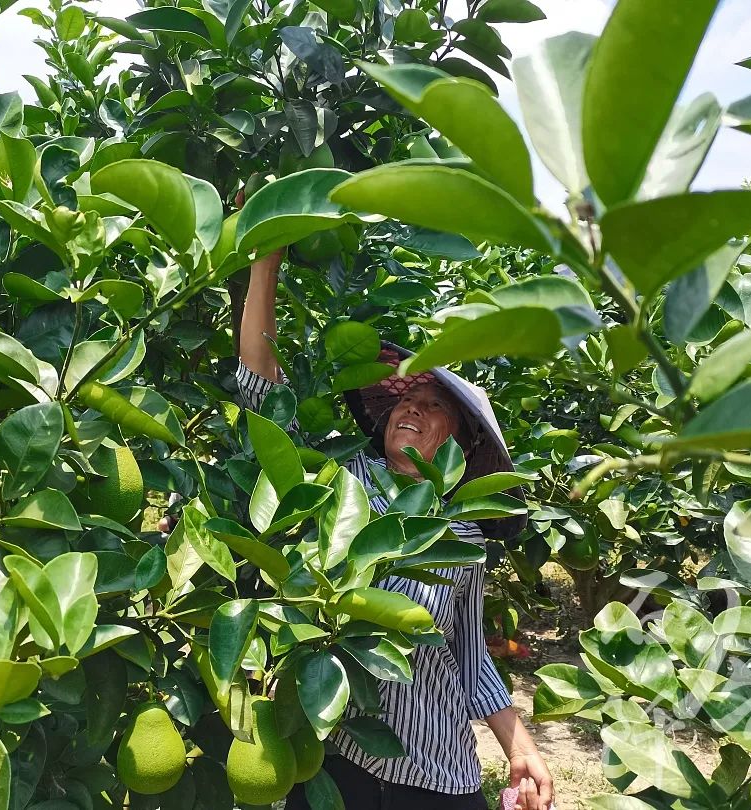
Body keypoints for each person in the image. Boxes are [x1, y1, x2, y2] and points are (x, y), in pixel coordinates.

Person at [236, 249, 555, 810]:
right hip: (338, 749)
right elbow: (265, 400)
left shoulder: (463, 535)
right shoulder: (339, 481)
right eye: (407, 397)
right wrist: (267, 263)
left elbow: (467, 655)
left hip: (434, 765)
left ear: (456, 442)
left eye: (433, 406)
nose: (412, 408)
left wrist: (518, 744)